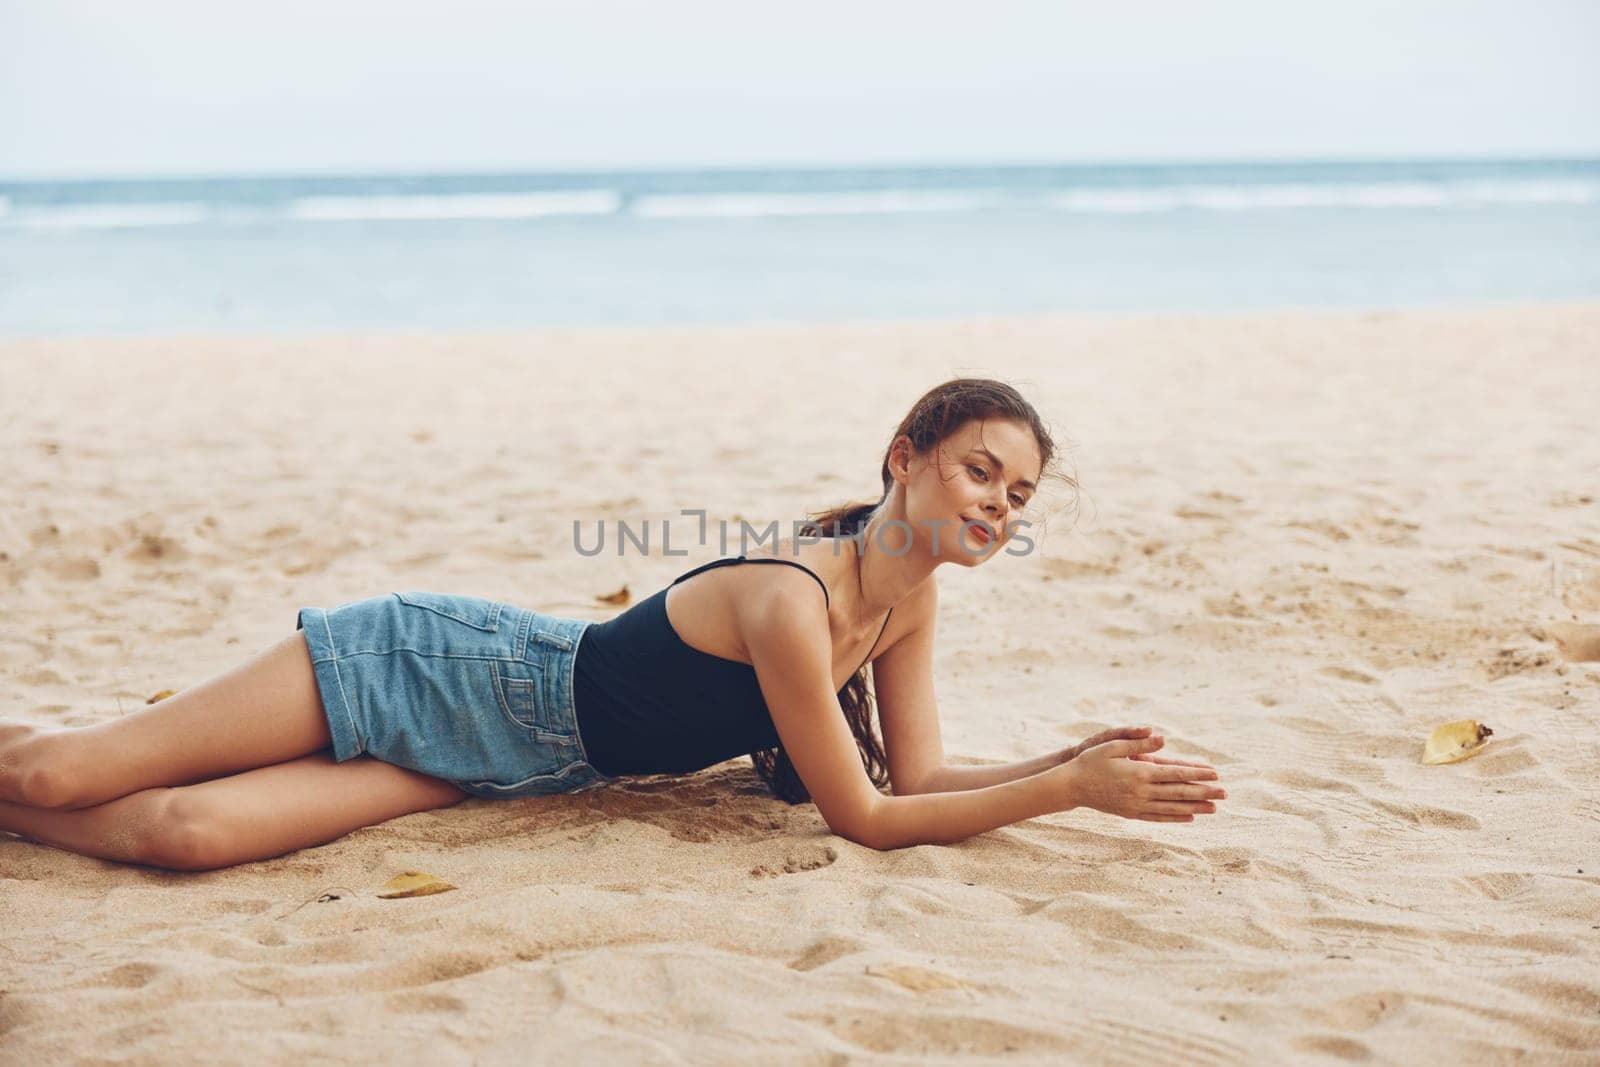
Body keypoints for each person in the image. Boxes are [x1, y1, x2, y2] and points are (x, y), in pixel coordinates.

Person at [0, 378, 1225, 871]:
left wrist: (1070, 762)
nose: (995, 505)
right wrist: (1066, 797)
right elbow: (867, 818)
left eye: (1017, 493)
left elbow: (917, 773)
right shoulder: (792, 598)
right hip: (438, 665)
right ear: (903, 460)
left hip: (518, 762)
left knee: (192, 834)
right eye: (976, 470)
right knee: (65, 765)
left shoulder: (908, 598)